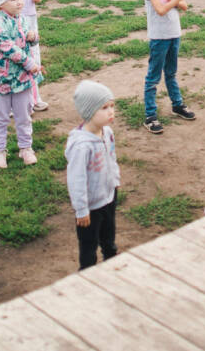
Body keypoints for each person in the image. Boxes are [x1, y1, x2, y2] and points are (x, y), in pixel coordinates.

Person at [0, 0, 45, 168]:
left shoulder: (19, 18)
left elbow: (29, 41)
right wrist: (31, 64)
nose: (20, 2)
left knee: (24, 115)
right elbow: (7, 47)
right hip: (2, 80)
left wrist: (33, 36)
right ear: (2, 2)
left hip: (22, 79)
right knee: (0, 116)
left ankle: (26, 148)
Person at [141, 0, 197, 134]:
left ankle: (177, 104)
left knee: (171, 72)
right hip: (159, 36)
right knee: (153, 76)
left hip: (174, 33)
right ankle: (150, 115)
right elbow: (161, 10)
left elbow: (184, 6)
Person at [66, 80, 120, 269]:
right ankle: (87, 276)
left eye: (112, 106)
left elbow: (112, 158)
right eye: (104, 107)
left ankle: (111, 265)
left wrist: (115, 180)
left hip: (109, 196)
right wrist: (81, 209)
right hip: (90, 208)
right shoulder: (81, 146)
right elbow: (76, 180)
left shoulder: (107, 132)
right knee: (89, 247)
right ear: (89, 112)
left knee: (109, 238)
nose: (111, 111)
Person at [0, 0, 49, 111]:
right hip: (17, 23)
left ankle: (34, 98)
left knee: (34, 57)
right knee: (19, 60)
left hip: (31, 18)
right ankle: (14, 104)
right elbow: (4, 3)